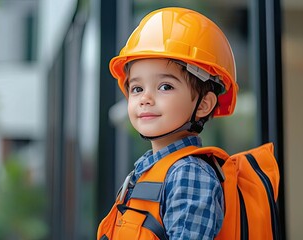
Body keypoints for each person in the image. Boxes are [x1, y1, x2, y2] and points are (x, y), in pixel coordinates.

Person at [97, 7, 239, 240]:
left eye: (165, 87)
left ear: (204, 104)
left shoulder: (188, 173)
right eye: (137, 88)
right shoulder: (149, 170)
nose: (145, 98)